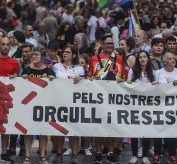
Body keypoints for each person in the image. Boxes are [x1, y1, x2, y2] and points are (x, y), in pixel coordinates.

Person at [88, 34, 125, 163]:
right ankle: (98, 153)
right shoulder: (94, 59)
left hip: (114, 97)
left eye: (111, 43)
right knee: (99, 126)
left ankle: (110, 152)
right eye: (107, 43)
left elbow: (123, 77)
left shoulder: (119, 59)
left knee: (112, 126)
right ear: (102, 44)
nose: (109, 45)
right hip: (98, 97)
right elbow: (89, 76)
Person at [21, 47, 55, 164]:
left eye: (36, 54)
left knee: (43, 131)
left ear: (42, 57)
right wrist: (23, 78)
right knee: (28, 131)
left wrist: (52, 80)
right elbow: (20, 87)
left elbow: (56, 88)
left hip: (44, 105)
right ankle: (27, 156)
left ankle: (43, 155)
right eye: (33, 55)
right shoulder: (26, 70)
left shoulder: (49, 71)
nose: (34, 57)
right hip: (29, 105)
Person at [52, 45, 84, 163]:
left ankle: (74, 155)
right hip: (59, 102)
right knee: (60, 129)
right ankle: (59, 154)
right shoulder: (56, 66)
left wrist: (81, 79)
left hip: (73, 104)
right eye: (64, 52)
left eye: (68, 52)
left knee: (73, 129)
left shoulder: (79, 68)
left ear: (74, 55)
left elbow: (85, 85)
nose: (64, 53)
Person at [153, 52, 177, 164]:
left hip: (174, 106)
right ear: (164, 61)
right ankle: (157, 153)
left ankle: (172, 155)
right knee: (158, 131)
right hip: (160, 106)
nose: (173, 60)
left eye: (173, 59)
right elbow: (153, 87)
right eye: (170, 59)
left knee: (172, 131)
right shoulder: (157, 73)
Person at [126, 50, 154, 164]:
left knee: (146, 131)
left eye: (144, 57)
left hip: (148, 106)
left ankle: (144, 155)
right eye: (140, 57)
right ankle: (134, 155)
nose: (142, 59)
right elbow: (128, 85)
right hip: (135, 105)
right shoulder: (133, 71)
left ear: (148, 59)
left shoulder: (153, 72)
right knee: (134, 131)